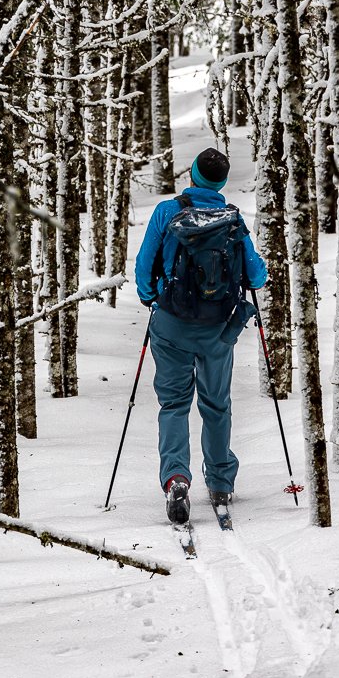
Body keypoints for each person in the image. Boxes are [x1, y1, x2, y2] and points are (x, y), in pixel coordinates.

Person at [135, 147, 267, 524]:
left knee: (174, 404)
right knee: (216, 405)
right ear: (221, 183)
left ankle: (177, 478)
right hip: (218, 330)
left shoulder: (167, 212)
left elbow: (144, 266)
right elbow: (256, 276)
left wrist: (152, 299)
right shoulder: (232, 219)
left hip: (171, 325)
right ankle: (221, 481)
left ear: (191, 175)